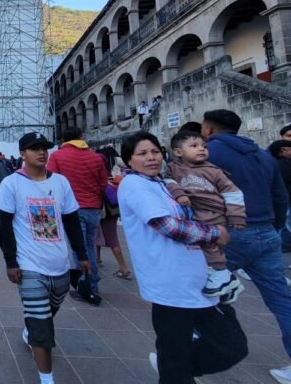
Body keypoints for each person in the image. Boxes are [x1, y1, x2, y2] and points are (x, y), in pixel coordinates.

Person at [117, 130, 247, 383]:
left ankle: (173, 368)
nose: (151, 158)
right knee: (188, 352)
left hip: (197, 279)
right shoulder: (135, 184)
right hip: (170, 284)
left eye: (155, 151)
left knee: (232, 346)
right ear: (128, 160)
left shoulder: (164, 183)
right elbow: (168, 226)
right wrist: (214, 233)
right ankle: (173, 369)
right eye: (142, 154)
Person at [201, 110, 291, 383]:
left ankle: (185, 349)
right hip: (266, 232)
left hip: (229, 232)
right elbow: (280, 196)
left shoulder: (207, 153)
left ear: (208, 129)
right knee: (281, 299)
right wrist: (272, 227)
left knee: (201, 289)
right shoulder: (263, 155)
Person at [0, 131, 90, 384]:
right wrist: (11, 262)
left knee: (51, 310)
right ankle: (46, 378)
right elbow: (4, 226)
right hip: (29, 265)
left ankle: (31, 331)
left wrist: (82, 255)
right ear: (22, 153)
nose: (41, 152)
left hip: (59, 263)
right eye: (35, 148)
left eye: (44, 147)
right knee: (41, 325)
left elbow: (71, 221)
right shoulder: (11, 184)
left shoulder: (61, 182)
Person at [165, 131, 247, 301]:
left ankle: (221, 274)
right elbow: (168, 181)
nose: (201, 149)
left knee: (210, 244)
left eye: (204, 146)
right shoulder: (174, 168)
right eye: (194, 146)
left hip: (213, 212)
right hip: (194, 212)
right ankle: (225, 283)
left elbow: (233, 193)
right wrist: (179, 193)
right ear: (178, 152)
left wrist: (237, 216)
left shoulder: (214, 171)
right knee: (200, 245)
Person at [47, 127, 107, 299]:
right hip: (93, 207)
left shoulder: (57, 156)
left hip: (71, 209)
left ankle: (88, 286)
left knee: (79, 249)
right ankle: (92, 281)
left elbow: (52, 181)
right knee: (88, 246)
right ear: (81, 137)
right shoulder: (96, 157)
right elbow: (103, 183)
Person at [94, 148, 133, 280]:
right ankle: (97, 258)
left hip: (102, 209)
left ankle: (124, 269)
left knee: (110, 238)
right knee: (98, 234)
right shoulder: (115, 172)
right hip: (113, 208)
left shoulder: (98, 175)